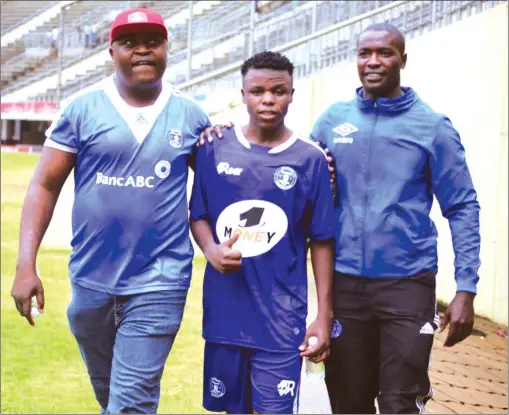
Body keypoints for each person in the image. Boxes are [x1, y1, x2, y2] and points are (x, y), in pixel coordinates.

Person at [10, 8, 214, 414]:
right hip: (91, 281)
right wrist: (25, 265)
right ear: (111, 50)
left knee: (130, 405)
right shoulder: (82, 109)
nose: (142, 50)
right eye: (129, 42)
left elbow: (225, 183)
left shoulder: (191, 116)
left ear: (167, 49)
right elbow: (44, 186)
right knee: (113, 399)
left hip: (160, 280)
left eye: (152, 41)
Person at [310, 23, 481, 414]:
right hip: (346, 284)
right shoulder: (331, 122)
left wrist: (466, 288)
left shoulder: (432, 128)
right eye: (364, 53)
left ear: (403, 60)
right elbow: (304, 192)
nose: (373, 62)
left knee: (400, 402)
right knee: (349, 403)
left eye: (385, 53)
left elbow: (462, 206)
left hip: (408, 285)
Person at [189, 51, 335, 414]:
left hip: (281, 319)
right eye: (257, 91)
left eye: (278, 91)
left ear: (292, 94)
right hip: (225, 317)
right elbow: (199, 215)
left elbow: (321, 240)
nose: (268, 99)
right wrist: (211, 250)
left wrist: (324, 314)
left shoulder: (309, 160)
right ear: (242, 94)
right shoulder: (214, 147)